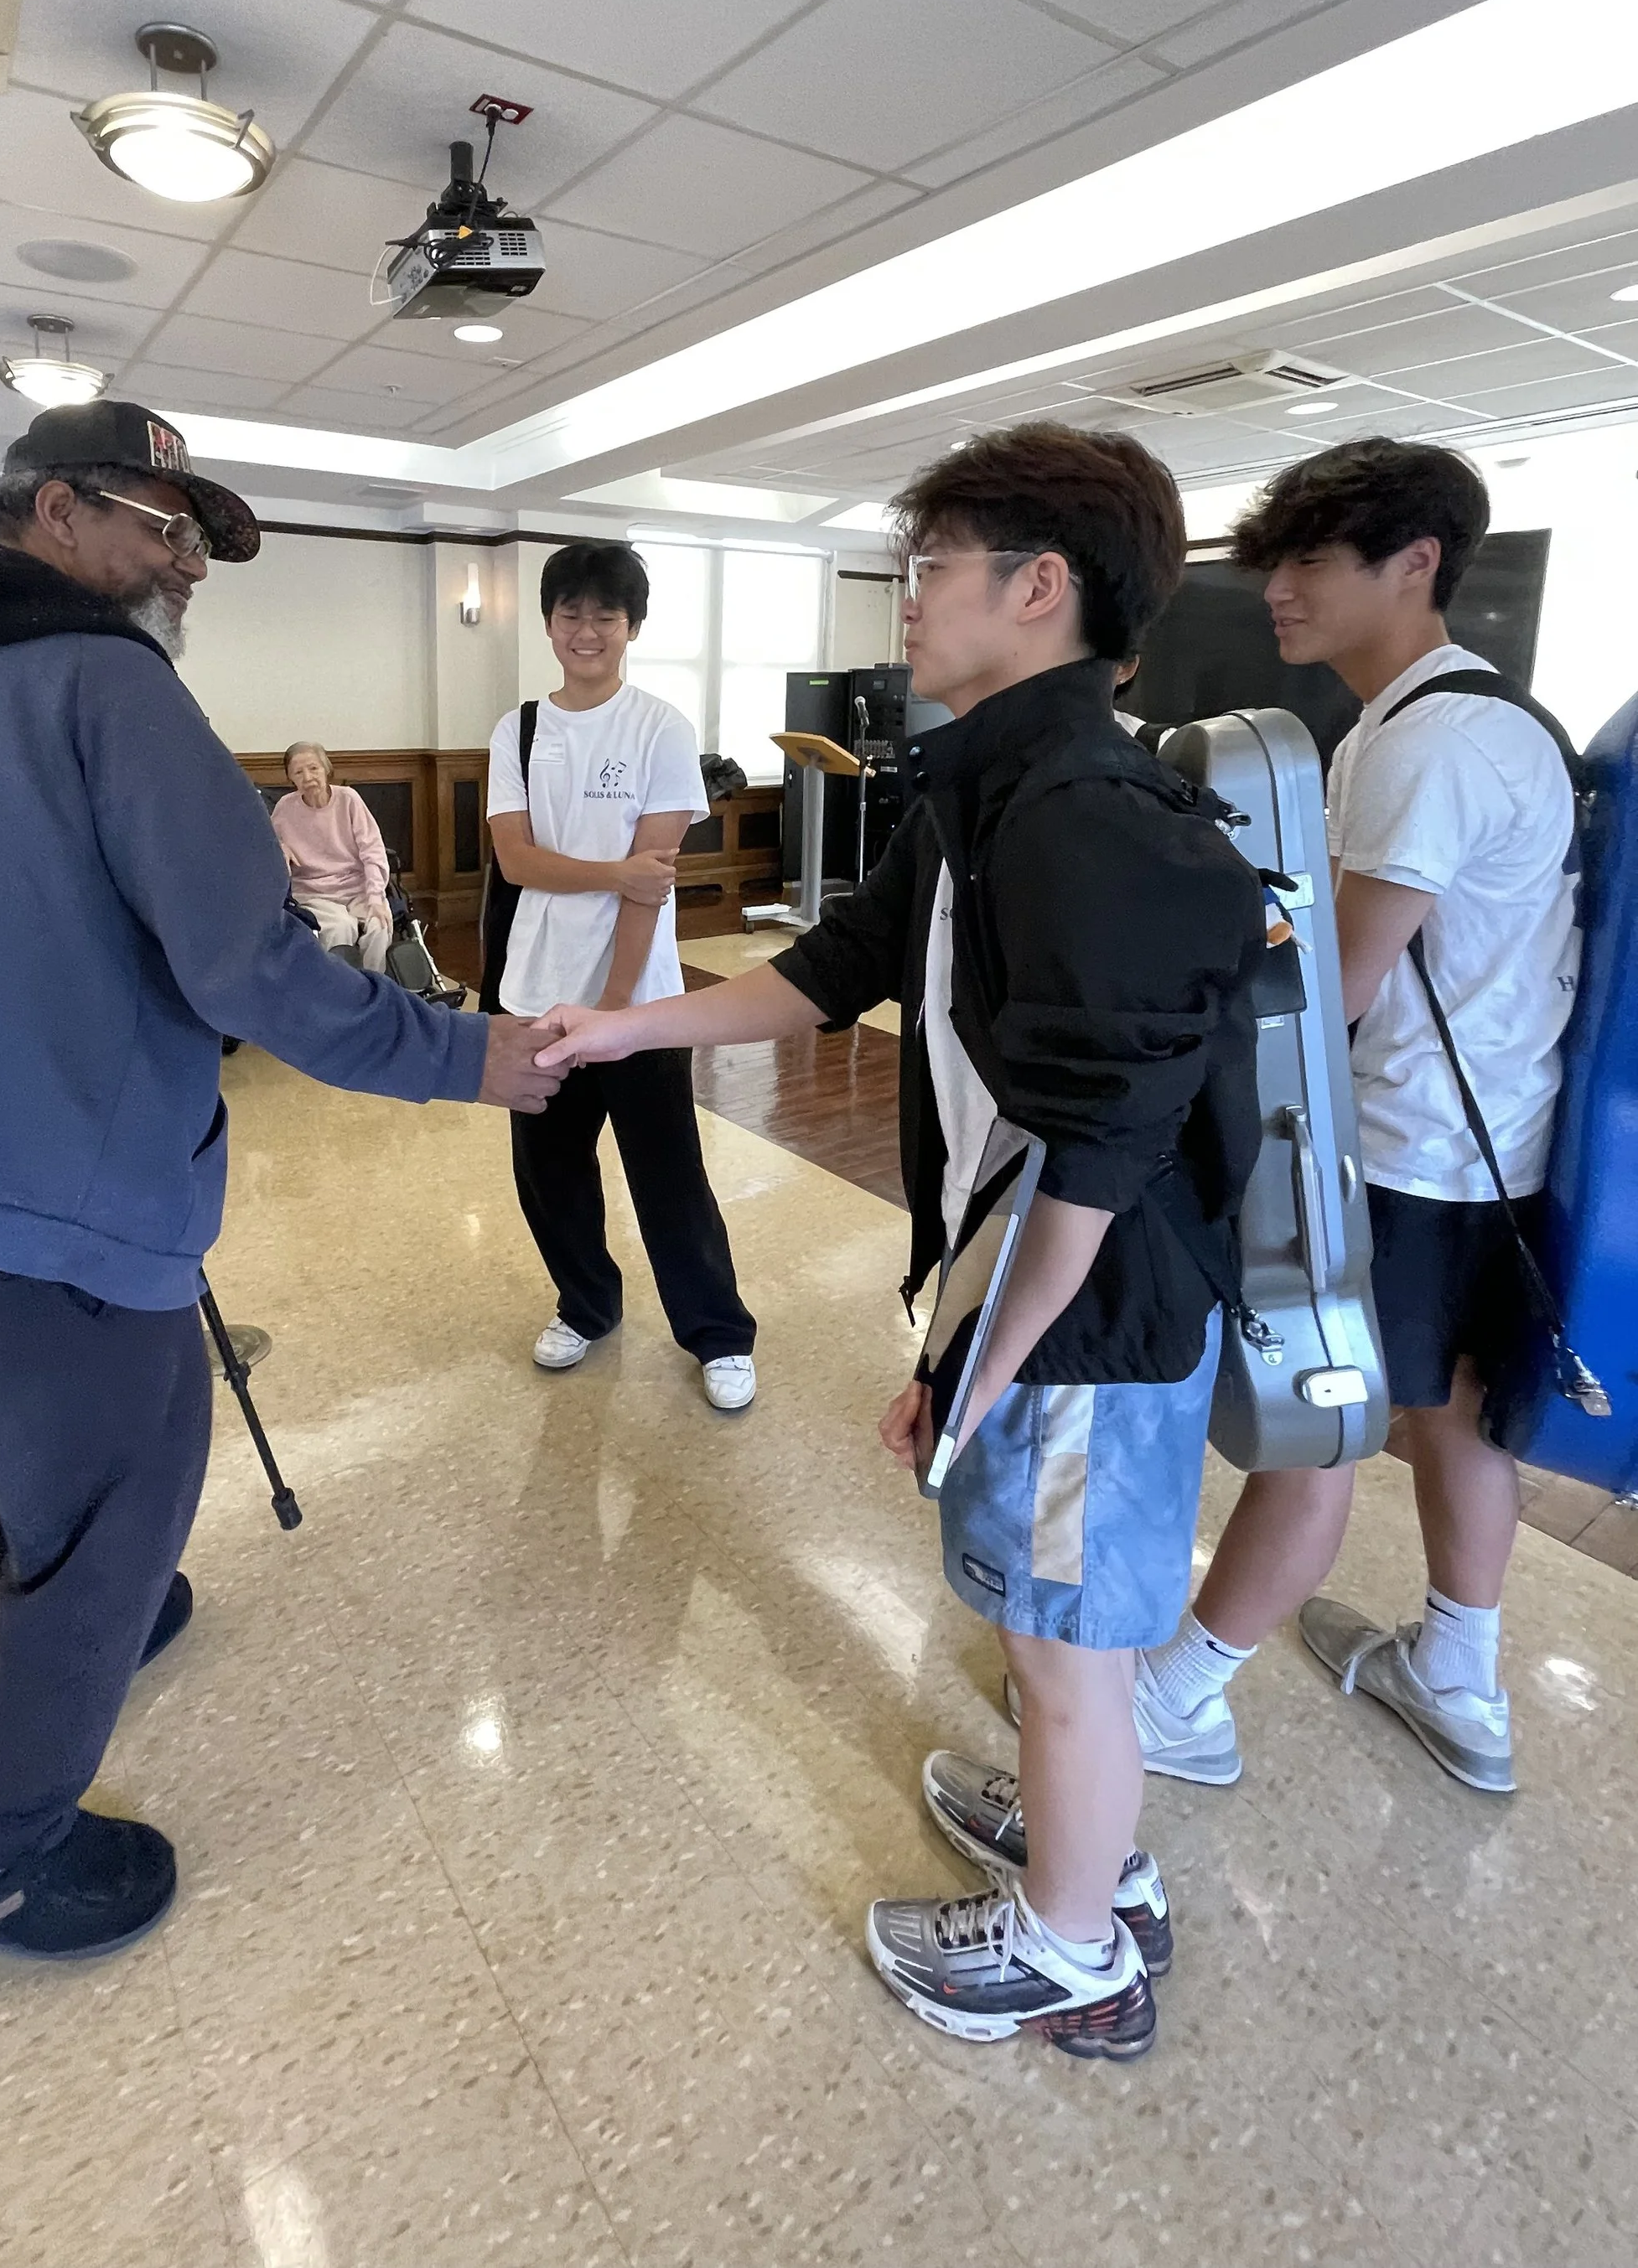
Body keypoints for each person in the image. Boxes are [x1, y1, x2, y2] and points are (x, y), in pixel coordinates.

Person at [0, 399, 566, 1965]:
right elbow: (249, 962)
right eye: (164, 528)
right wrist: (468, 1055)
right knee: (130, 1479)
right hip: (34, 1178)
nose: (189, 565)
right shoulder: (109, 686)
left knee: (9, 1457)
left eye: (198, 542)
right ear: (56, 511)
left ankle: (87, 1628)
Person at [536, 430, 1265, 2059]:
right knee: (1047, 1629)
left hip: (1087, 1322)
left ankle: (1073, 1947)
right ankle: (1084, 1841)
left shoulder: (1083, 815)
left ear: (1039, 586)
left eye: (930, 566)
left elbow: (1100, 1150)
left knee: (1064, 1645)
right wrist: (622, 1023)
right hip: (1035, 1301)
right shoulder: (984, 787)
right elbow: (834, 966)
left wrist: (980, 1372)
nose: (908, 600)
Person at [1130, 439, 1578, 1799]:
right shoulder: (1445, 720)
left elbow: (1333, 990)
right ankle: (1460, 1673)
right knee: (1449, 1412)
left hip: (1410, 1151)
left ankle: (1177, 1695)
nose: (1279, 586)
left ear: (1416, 563)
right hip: (1485, 1147)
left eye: (1313, 559)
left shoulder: (1432, 744)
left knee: (1316, 1418)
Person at [487, 539, 759, 1412]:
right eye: (570, 612)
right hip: (534, 993)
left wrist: (612, 1011)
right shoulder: (519, 730)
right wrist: (613, 872)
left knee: (668, 1173)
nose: (587, 629)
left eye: (606, 614)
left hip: (637, 1002)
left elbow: (655, 885)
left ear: (632, 626)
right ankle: (585, 1306)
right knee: (550, 1173)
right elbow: (518, 860)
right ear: (548, 623)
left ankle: (717, 1332)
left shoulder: (660, 727)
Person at [271, 743, 391, 972]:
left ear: (326, 768)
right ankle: (343, 988)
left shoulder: (349, 799)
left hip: (358, 888)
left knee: (380, 925)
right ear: (290, 778)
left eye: (313, 768)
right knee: (340, 927)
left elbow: (373, 851)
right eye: (298, 772)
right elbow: (268, 846)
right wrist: (281, 847)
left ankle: (374, 985)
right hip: (315, 893)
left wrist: (376, 897)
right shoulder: (285, 808)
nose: (308, 777)